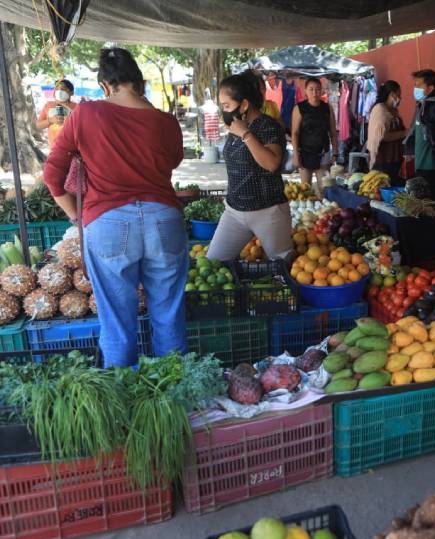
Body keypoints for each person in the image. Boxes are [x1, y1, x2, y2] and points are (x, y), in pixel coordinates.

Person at [42, 48, 187, 368]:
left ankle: (121, 405)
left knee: (118, 324)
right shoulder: (166, 122)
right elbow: (173, 161)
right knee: (168, 316)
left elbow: (52, 174)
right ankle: (176, 400)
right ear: (139, 83)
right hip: (164, 219)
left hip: (107, 223)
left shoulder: (86, 114)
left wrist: (76, 216)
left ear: (105, 86)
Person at [206, 72, 293, 264]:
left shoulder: (268, 126)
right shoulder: (236, 125)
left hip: (268, 212)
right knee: (214, 262)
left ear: (244, 105)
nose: (224, 111)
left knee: (282, 267)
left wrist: (246, 134)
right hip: (234, 211)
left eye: (227, 106)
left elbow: (271, 164)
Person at [403, 69, 435, 203]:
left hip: (430, 168)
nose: (415, 89)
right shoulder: (422, 105)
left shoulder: (434, 106)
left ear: (430, 88)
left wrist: (430, 128)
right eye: (415, 85)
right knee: (421, 206)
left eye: (419, 86)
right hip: (420, 166)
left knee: (429, 207)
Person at [291, 77, 338, 198]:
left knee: (324, 190)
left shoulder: (327, 108)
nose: (314, 93)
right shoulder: (299, 108)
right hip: (305, 153)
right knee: (305, 190)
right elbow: (295, 133)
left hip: (323, 153)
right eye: (311, 89)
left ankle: (324, 214)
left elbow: (333, 132)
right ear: (305, 91)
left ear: (321, 91)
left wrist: (335, 153)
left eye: (317, 89)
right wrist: (296, 155)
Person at [366, 80, 406, 186]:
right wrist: (404, 133)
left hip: (393, 158)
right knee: (381, 186)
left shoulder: (393, 110)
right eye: (399, 94)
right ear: (392, 94)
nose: (400, 97)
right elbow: (382, 136)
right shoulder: (380, 110)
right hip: (382, 160)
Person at [36, 79, 78, 147]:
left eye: (63, 89)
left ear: (71, 93)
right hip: (54, 147)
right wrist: (50, 120)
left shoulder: (77, 107)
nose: (59, 91)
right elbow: (38, 125)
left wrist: (66, 107)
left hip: (72, 147)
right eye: (57, 88)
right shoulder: (48, 105)